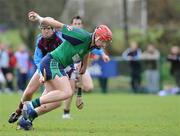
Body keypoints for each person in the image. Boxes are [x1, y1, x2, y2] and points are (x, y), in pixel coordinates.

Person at [19, 11, 112, 130]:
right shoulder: (81, 35)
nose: (104, 45)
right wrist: (39, 18)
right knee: (67, 92)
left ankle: (26, 120)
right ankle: (30, 105)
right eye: (104, 41)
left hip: (56, 65)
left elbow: (85, 59)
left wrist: (82, 69)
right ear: (97, 37)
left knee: (56, 102)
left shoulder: (91, 44)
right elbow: (58, 25)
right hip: (52, 62)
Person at [8, 17, 65, 123]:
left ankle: (28, 118)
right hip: (41, 69)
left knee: (52, 100)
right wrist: (42, 71)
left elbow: (65, 56)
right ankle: (19, 111)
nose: (45, 31)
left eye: (48, 28)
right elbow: (37, 58)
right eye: (43, 28)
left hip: (54, 71)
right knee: (28, 93)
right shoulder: (40, 39)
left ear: (53, 29)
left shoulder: (60, 39)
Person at [62, 16, 110, 119]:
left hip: (81, 65)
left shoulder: (86, 36)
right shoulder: (69, 36)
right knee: (70, 90)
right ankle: (66, 112)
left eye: (79, 24)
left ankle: (76, 91)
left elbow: (94, 47)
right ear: (71, 25)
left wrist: (102, 54)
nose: (78, 25)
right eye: (75, 24)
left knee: (89, 87)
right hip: (70, 65)